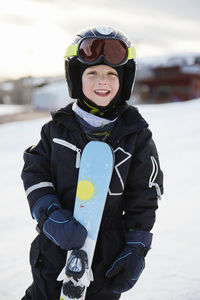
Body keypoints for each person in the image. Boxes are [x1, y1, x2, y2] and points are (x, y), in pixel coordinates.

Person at [21, 25, 163, 300]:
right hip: (54, 245)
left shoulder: (136, 135)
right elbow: (34, 173)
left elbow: (144, 193)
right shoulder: (57, 129)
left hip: (107, 254)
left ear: (125, 80)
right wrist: (48, 213)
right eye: (92, 73)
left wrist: (137, 243)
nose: (103, 81)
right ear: (76, 77)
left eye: (112, 74)